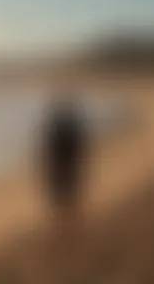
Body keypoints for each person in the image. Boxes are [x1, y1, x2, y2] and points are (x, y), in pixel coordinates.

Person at [40, 89, 90, 258]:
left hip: (60, 169)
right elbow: (80, 148)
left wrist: (47, 169)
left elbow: (49, 150)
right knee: (70, 203)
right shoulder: (72, 123)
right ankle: (72, 238)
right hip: (70, 168)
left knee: (60, 204)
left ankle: (63, 239)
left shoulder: (57, 124)